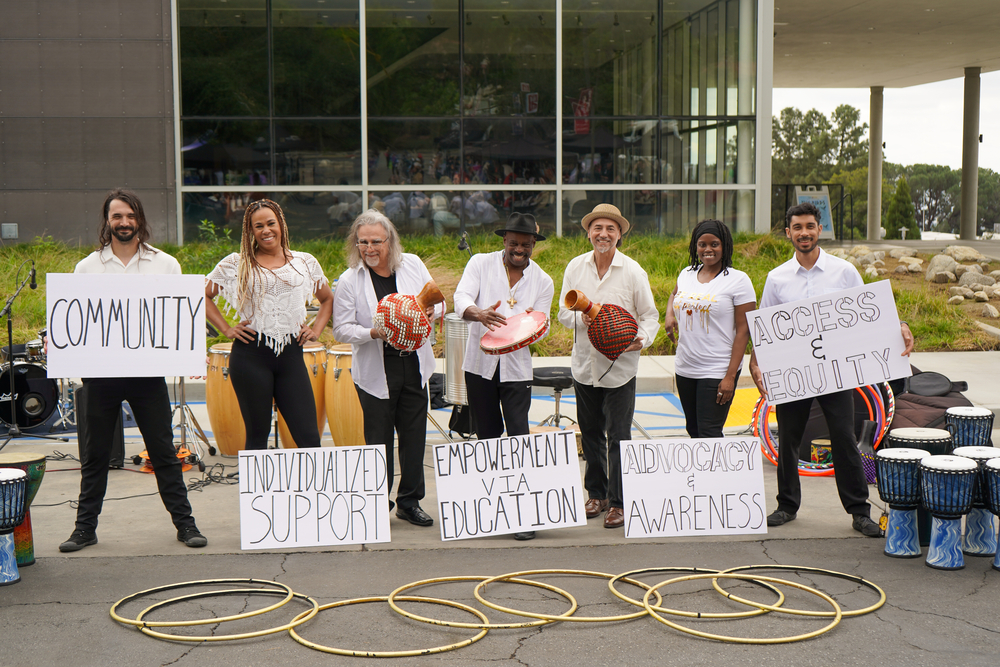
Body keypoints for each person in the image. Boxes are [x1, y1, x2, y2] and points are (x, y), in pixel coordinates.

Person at [749, 202, 914, 537]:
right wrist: (756, 362)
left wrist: (900, 325)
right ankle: (786, 506)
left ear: (819, 229)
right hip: (795, 374)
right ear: (788, 233)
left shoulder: (844, 271)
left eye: (810, 226)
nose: (804, 233)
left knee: (844, 438)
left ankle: (859, 511)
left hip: (835, 374)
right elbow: (766, 328)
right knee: (788, 440)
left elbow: (870, 313)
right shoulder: (777, 278)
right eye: (797, 227)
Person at [58, 189, 208, 552]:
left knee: (163, 452)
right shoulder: (87, 267)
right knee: (95, 456)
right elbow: (77, 320)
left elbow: (177, 317)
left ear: (139, 219)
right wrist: (60, 340)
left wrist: (190, 342)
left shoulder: (166, 264)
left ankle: (185, 525)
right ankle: (84, 529)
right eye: (117, 216)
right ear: (107, 221)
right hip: (101, 375)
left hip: (147, 375)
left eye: (130, 216)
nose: (124, 222)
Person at [332, 210, 446, 527]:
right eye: (363, 242)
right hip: (376, 368)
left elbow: (438, 302)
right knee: (378, 441)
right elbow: (341, 330)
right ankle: (378, 503)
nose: (369, 248)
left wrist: (430, 312)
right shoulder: (349, 280)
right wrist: (374, 332)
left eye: (376, 242)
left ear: (390, 240)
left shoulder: (412, 264)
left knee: (414, 438)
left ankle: (409, 503)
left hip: (414, 363)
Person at [453, 213, 554, 541]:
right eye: (513, 243)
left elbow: (543, 325)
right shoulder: (480, 264)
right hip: (479, 365)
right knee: (487, 436)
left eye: (525, 244)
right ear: (504, 241)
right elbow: (460, 299)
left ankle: (524, 514)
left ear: (533, 244)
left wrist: (527, 327)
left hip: (516, 370)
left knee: (519, 437)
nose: (519, 249)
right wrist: (479, 313)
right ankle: (491, 509)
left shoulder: (543, 281)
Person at [557, 203, 659, 529]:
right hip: (584, 365)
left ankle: (619, 502)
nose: (603, 234)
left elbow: (650, 316)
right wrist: (582, 318)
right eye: (597, 228)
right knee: (590, 434)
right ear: (589, 233)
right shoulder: (575, 267)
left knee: (618, 436)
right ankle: (597, 495)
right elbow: (562, 312)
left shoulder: (633, 271)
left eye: (610, 229)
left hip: (621, 367)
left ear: (619, 235)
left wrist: (642, 338)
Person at [204, 199, 333, 451]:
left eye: (271, 223)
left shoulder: (304, 262)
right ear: (250, 231)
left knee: (309, 438)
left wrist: (315, 330)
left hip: (291, 357)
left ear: (281, 224)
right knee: (256, 438)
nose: (266, 230)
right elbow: (203, 295)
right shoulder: (237, 263)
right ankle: (258, 479)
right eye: (258, 226)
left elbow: (327, 299)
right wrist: (227, 329)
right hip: (250, 357)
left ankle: (310, 480)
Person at [665, 220, 756, 438]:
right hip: (685, 367)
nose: (708, 249)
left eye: (714, 244)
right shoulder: (687, 273)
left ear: (725, 246)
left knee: (709, 432)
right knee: (693, 430)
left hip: (717, 368)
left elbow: (744, 331)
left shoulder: (738, 280)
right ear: (695, 247)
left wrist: (730, 377)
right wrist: (669, 314)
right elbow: (674, 294)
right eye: (702, 244)